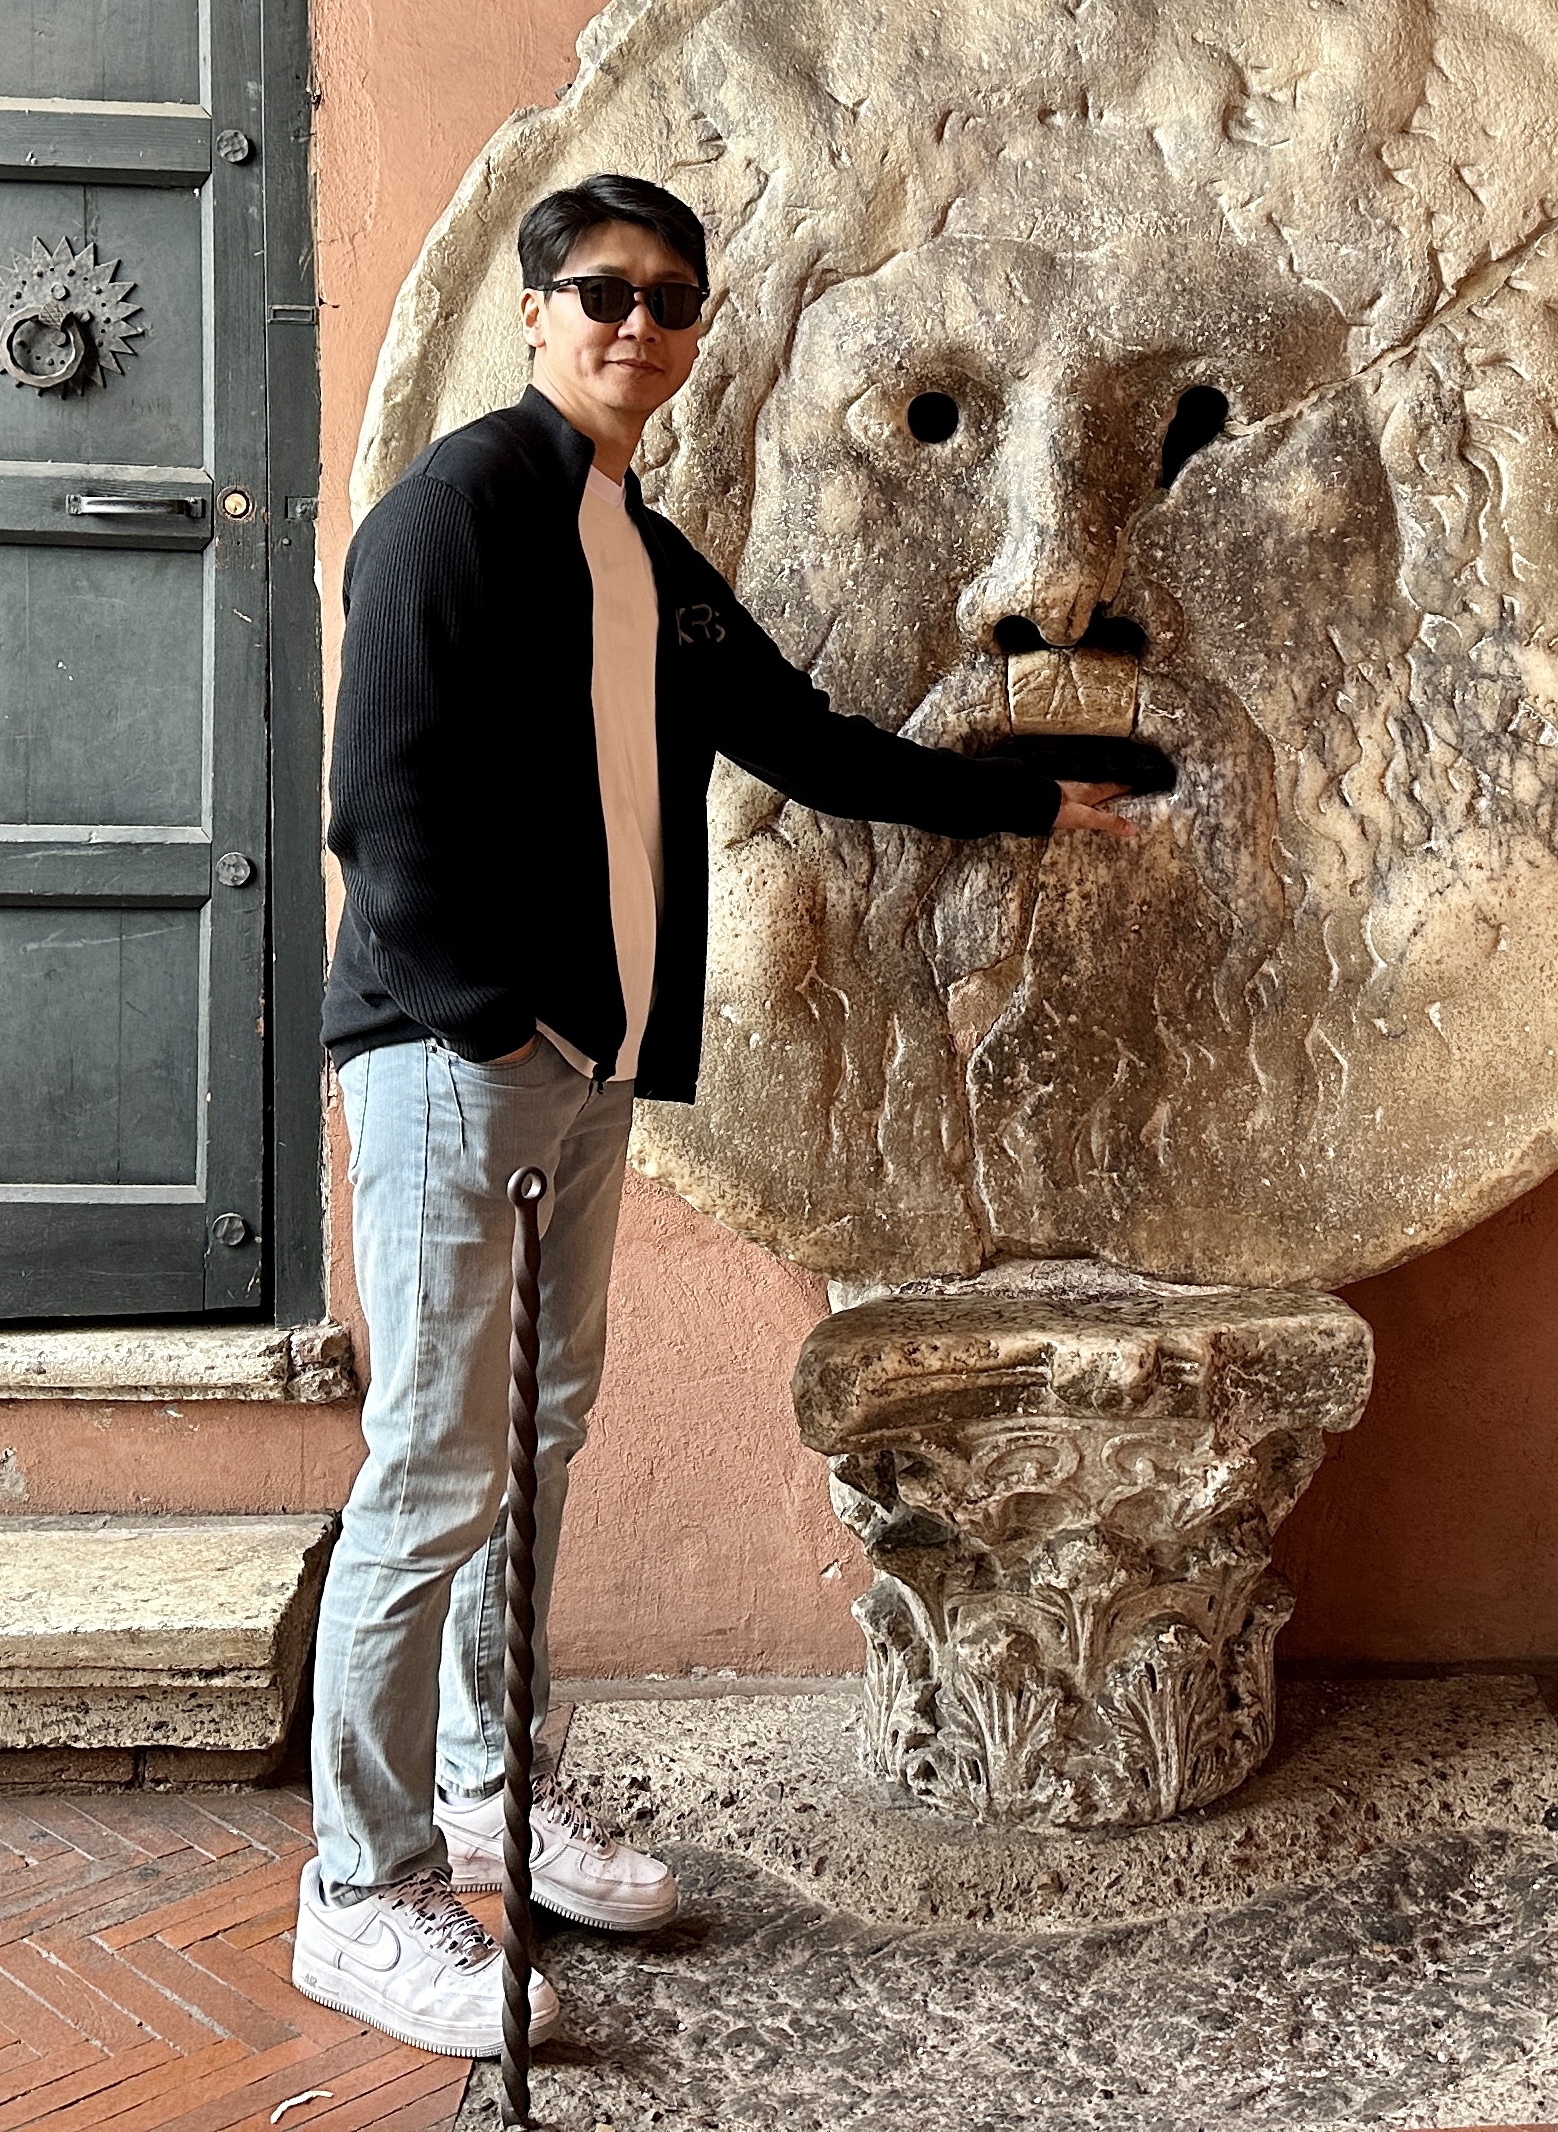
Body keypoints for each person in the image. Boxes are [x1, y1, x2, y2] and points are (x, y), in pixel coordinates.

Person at [295, 170, 1139, 2053]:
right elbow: (380, 813)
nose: (638, 325)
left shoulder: (645, 553)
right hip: (456, 1062)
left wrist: (1025, 800)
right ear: (536, 311)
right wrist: (495, 1027)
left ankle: (487, 1797)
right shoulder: (452, 516)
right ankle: (356, 1890)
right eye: (604, 292)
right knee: (433, 1468)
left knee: (534, 1442)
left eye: (672, 300)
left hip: (583, 1073)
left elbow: (803, 741)